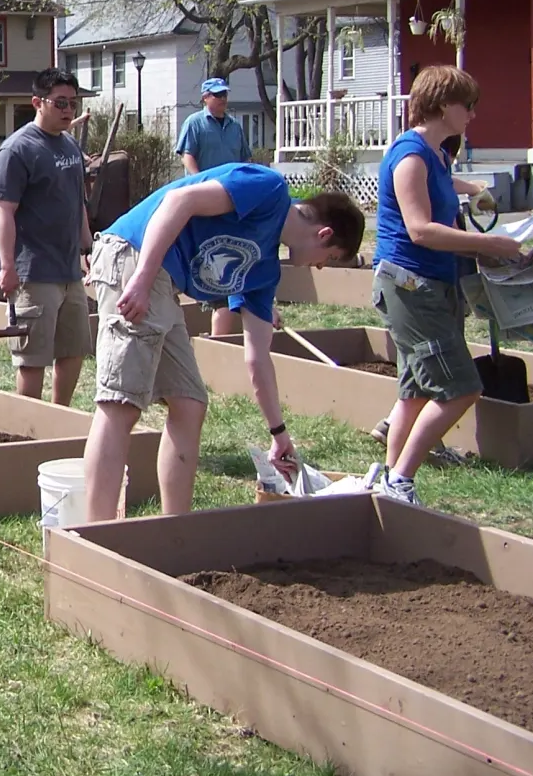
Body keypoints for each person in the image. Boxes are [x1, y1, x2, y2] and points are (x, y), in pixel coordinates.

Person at [81, 163, 365, 521]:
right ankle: (96, 532)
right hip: (135, 255)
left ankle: (175, 529)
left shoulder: (264, 270)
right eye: (330, 258)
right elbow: (179, 201)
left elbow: (257, 359)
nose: (321, 267)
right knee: (121, 403)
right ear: (324, 235)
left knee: (189, 403)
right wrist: (141, 278)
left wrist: (279, 434)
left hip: (163, 283)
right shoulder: (269, 189)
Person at [367, 67, 523, 505]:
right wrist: (488, 243)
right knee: (461, 388)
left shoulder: (435, 154)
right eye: (466, 105)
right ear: (441, 106)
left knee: (415, 391)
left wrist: (473, 189)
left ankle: (388, 483)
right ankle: (401, 479)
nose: (472, 114)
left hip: (434, 283)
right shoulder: (410, 155)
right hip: (409, 285)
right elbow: (420, 230)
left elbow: (442, 184)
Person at [0, 67, 94, 405]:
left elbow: (77, 201)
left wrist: (87, 248)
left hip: (69, 271)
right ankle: (28, 427)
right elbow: (4, 211)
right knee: (33, 357)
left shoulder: (69, 145)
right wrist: (8, 267)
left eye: (73, 103)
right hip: (33, 272)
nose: (68, 110)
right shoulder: (16, 150)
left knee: (74, 350)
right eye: (60, 102)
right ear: (37, 102)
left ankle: (59, 417)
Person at [176, 77, 255, 337]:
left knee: (231, 251)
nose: (222, 99)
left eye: (225, 95)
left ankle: (226, 302)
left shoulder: (235, 127)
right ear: (205, 97)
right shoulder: (195, 123)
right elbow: (187, 156)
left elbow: (245, 159)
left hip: (232, 200)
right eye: (217, 95)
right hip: (204, 199)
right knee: (208, 253)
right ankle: (211, 298)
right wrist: (200, 181)